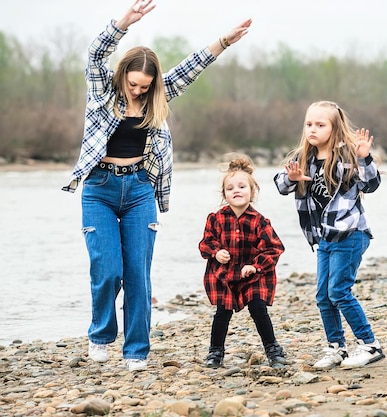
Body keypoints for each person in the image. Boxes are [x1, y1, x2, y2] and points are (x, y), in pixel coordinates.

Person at [61, 0, 252, 372]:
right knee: (107, 268)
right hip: (99, 189)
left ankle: (136, 352)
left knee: (137, 275)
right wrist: (122, 23)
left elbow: (191, 68)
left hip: (139, 191)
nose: (137, 90)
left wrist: (224, 41)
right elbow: (96, 52)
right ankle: (101, 335)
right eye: (132, 83)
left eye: (144, 86)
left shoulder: (156, 98)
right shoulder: (102, 91)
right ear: (122, 77)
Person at [273, 100, 384, 369]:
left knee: (339, 291)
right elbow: (280, 184)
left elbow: (370, 185)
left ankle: (369, 344)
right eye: (309, 124)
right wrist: (293, 178)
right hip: (323, 239)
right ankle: (337, 347)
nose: (313, 129)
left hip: (350, 234)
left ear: (334, 129)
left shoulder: (347, 157)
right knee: (323, 296)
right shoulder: (303, 159)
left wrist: (364, 158)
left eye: (320, 125)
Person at [199, 155, 286, 369]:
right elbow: (205, 243)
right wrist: (216, 252)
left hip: (252, 276)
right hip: (225, 276)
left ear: (252, 192)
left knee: (258, 308)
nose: (236, 191)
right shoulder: (216, 219)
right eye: (230, 188)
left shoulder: (259, 221)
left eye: (241, 186)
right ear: (225, 195)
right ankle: (215, 351)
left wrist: (255, 266)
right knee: (223, 312)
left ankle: (273, 348)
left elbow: (275, 248)